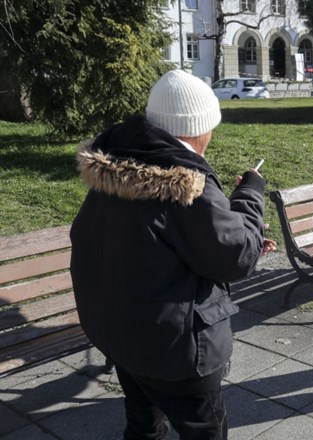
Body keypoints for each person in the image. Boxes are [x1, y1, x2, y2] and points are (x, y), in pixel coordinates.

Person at [70, 69, 276, 439]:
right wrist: (251, 194)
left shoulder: (118, 164)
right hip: (174, 347)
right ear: (198, 129)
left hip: (123, 334)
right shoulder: (184, 184)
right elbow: (236, 259)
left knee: (143, 424)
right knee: (204, 430)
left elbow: (154, 244)